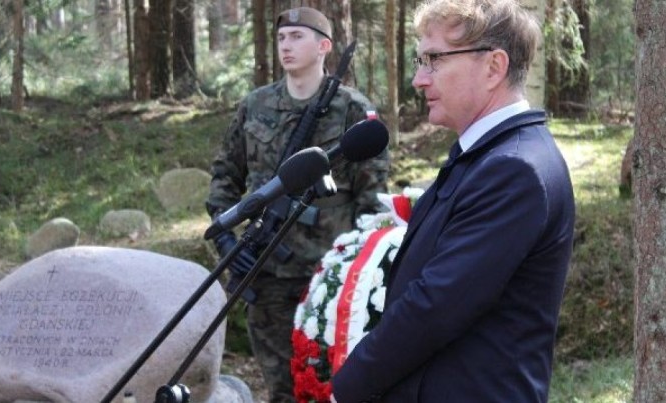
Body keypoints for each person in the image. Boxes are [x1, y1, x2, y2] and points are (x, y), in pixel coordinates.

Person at [331, 0, 575, 402]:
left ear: (494, 67)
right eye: (419, 60)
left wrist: (348, 386)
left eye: (434, 60)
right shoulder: (487, 154)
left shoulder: (514, 169)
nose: (419, 79)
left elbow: (436, 305)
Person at [205, 7, 389, 403]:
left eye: (297, 37)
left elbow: (371, 199)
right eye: (281, 38)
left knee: (333, 384)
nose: (286, 46)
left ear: (324, 47)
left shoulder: (352, 110)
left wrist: (355, 268)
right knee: (282, 389)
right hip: (264, 273)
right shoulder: (255, 105)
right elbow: (224, 179)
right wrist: (228, 246)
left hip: (330, 276)